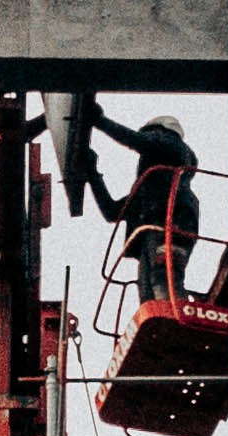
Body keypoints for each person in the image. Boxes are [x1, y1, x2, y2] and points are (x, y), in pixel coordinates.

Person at [81, 105, 200, 306]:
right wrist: (92, 173)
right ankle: (162, 328)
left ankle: (175, 321)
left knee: (164, 279)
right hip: (153, 230)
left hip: (174, 221)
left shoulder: (173, 144)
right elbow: (112, 212)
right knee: (147, 293)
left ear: (160, 131)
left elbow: (138, 141)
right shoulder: (149, 193)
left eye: (152, 136)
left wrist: (100, 121)